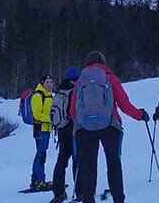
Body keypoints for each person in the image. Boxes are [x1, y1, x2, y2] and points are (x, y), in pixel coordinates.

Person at [70, 51, 149, 203]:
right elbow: (124, 104)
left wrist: (80, 124)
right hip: (110, 126)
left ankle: (88, 199)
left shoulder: (80, 81)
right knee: (113, 163)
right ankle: (118, 199)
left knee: (88, 166)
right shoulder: (110, 77)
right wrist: (139, 115)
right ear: (103, 62)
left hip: (85, 129)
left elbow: (73, 110)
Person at [50, 66, 82, 203]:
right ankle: (80, 191)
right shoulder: (76, 89)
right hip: (73, 128)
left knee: (61, 159)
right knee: (77, 158)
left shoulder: (60, 89)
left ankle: (59, 192)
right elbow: (72, 111)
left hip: (61, 129)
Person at [30, 74, 54, 190]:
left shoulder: (48, 95)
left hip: (46, 130)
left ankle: (37, 180)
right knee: (41, 155)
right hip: (40, 130)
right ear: (42, 83)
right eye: (47, 82)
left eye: (51, 82)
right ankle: (38, 181)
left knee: (41, 155)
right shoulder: (38, 95)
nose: (50, 84)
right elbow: (37, 114)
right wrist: (51, 119)